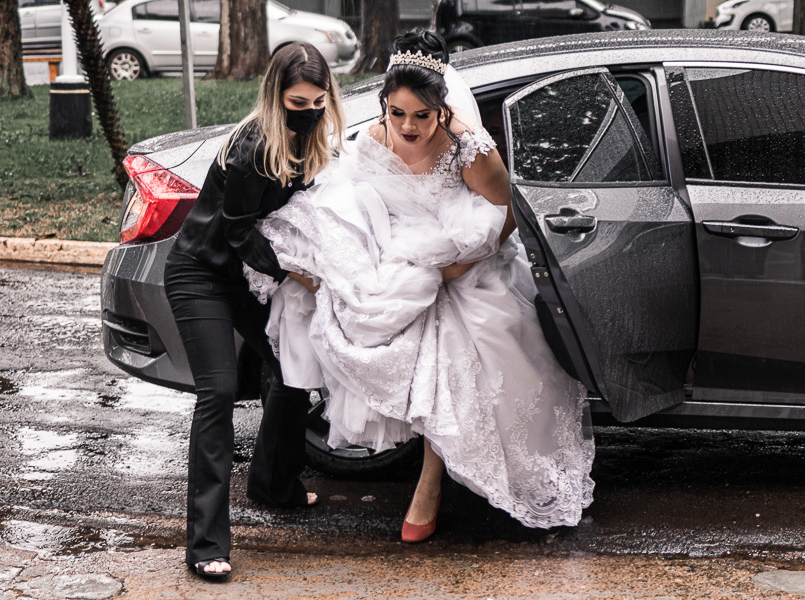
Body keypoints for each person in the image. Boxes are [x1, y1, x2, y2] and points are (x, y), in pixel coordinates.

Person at [246, 29, 595, 542]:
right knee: (355, 316)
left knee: (457, 346)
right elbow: (364, 207)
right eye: (397, 113)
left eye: (422, 116)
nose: (408, 127)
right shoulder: (370, 140)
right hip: (403, 260)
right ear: (384, 104)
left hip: (470, 265)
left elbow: (507, 217)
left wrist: (458, 266)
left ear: (443, 109)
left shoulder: (469, 149)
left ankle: (428, 486)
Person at [163, 42, 344, 579]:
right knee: (217, 392)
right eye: (297, 101)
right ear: (274, 95)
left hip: (246, 277)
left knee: (294, 369)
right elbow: (241, 231)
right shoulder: (252, 146)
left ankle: (274, 486)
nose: (308, 111)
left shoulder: (309, 138)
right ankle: (206, 545)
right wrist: (297, 273)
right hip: (201, 273)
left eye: (317, 101)